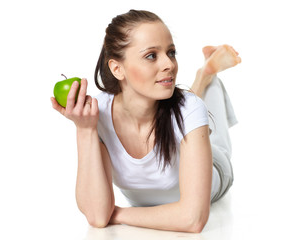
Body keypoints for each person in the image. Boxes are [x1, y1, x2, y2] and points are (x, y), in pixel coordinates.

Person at [51, 9, 241, 233]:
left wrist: (118, 213)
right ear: (116, 68)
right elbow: (97, 215)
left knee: (210, 132)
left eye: (171, 52)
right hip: (183, 119)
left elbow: (193, 219)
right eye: (151, 55)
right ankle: (203, 76)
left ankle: (207, 77)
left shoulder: (190, 108)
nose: (169, 64)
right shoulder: (97, 114)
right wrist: (84, 130)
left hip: (216, 169)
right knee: (188, 110)